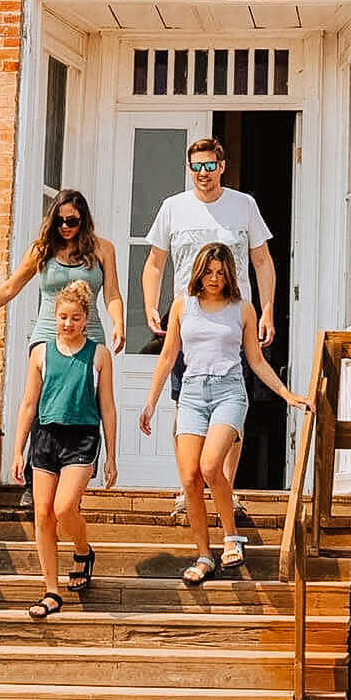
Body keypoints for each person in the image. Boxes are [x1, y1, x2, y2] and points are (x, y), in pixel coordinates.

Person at [138, 243, 308, 583]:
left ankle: (231, 538)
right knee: (189, 478)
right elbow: (168, 355)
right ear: (198, 272)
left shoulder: (243, 309)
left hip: (229, 392)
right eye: (209, 271)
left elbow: (256, 361)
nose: (214, 278)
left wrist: (287, 394)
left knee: (210, 465)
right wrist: (151, 401)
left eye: (220, 272)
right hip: (191, 394)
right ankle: (203, 556)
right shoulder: (183, 306)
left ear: (229, 275)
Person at [139, 138, 275, 517]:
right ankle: (189, 489)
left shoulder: (243, 206)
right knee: (186, 404)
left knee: (233, 409)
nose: (203, 173)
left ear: (222, 166)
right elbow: (155, 262)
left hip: (234, 323)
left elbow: (262, 261)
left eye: (209, 165)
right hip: (189, 323)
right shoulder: (174, 208)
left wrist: (266, 310)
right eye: (196, 166)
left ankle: (226, 489)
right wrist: (151, 305)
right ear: (189, 169)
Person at [10, 280, 118, 619]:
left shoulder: (98, 355)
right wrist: (17, 450)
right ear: (53, 317)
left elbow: (108, 408)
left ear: (86, 319)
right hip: (45, 437)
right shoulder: (41, 352)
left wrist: (112, 456)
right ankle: (51, 591)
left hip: (82, 438)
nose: (67, 324)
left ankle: (83, 551)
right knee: (42, 514)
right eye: (62, 317)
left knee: (64, 507)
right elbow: (28, 404)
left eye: (74, 318)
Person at [0, 189, 124, 355]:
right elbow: (10, 288)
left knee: (89, 382)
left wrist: (118, 323)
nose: (65, 226)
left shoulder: (103, 249)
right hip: (48, 336)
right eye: (59, 221)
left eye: (72, 221)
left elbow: (112, 293)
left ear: (83, 220)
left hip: (89, 335)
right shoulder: (42, 249)